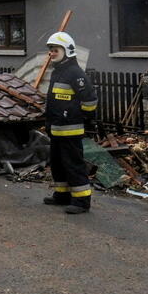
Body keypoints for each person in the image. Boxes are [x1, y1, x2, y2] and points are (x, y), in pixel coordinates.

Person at [43, 32, 98, 214]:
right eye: (51, 50)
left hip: (70, 130)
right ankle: (62, 195)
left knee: (74, 165)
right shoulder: (58, 72)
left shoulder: (75, 73)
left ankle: (82, 201)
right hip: (56, 129)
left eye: (55, 50)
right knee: (58, 164)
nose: (52, 53)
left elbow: (90, 100)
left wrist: (79, 117)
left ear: (67, 51)